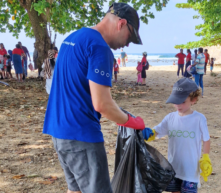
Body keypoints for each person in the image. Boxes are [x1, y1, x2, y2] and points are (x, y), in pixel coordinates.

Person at [43, 3, 145, 193]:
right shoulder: (99, 48)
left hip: (58, 132)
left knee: (75, 190)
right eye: (130, 36)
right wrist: (131, 121)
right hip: (82, 136)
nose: (127, 44)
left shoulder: (72, 38)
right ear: (121, 23)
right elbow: (102, 104)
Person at [142, 78, 212, 193]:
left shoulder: (199, 119)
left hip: (190, 170)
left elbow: (206, 140)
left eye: (183, 101)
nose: (178, 105)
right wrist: (148, 133)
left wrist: (206, 158)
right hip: (174, 167)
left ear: (193, 99)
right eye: (175, 101)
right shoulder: (170, 118)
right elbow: (157, 131)